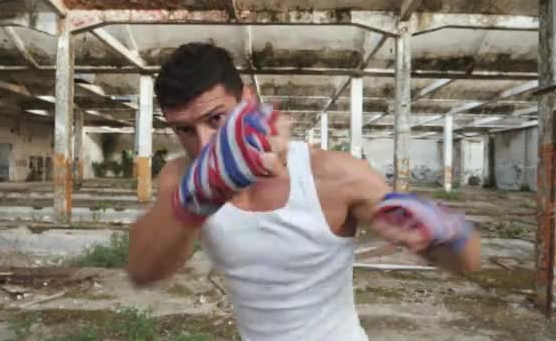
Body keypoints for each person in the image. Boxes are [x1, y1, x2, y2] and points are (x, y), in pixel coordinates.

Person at [128, 43, 481, 341]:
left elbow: (466, 261)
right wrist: (200, 196)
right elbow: (144, 271)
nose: (203, 144)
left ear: (247, 100)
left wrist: (444, 233)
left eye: (216, 119)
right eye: (185, 130)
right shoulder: (183, 176)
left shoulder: (333, 175)